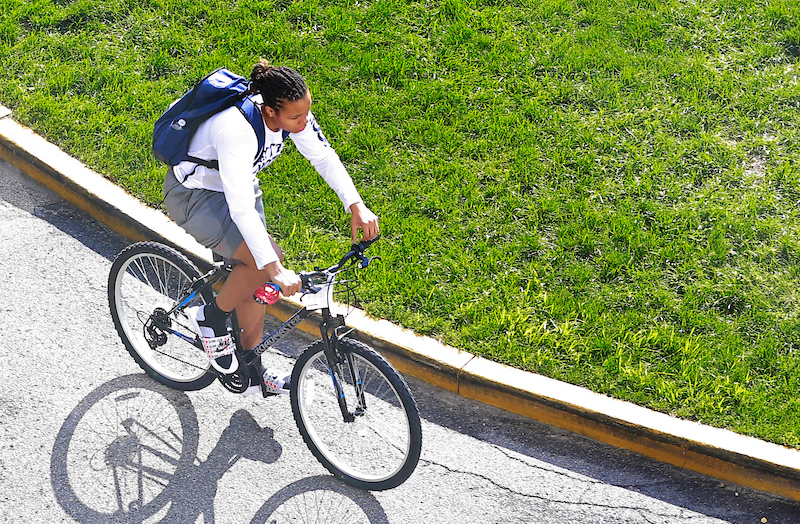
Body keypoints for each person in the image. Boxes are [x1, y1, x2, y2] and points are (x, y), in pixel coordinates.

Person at [162, 59, 380, 395]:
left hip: (236, 190)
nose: (304, 122)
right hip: (194, 195)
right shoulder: (235, 130)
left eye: (306, 113)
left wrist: (356, 205)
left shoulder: (291, 114)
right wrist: (275, 268)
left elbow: (322, 157)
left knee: (256, 278)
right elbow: (240, 208)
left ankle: (251, 369)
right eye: (296, 117)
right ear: (269, 111)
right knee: (262, 263)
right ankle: (211, 318)